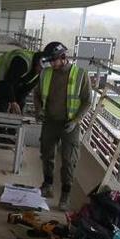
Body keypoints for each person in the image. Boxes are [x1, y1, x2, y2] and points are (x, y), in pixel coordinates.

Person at [33, 42, 92, 210]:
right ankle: (47, 185)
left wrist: (76, 120)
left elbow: (87, 101)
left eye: (53, 61)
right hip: (50, 122)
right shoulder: (46, 73)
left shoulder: (80, 75)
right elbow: (36, 94)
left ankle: (65, 195)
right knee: (46, 155)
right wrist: (38, 111)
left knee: (68, 160)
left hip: (70, 124)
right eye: (49, 61)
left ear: (63, 58)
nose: (51, 64)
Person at [0, 47, 48, 143]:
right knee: (3, 103)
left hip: (16, 78)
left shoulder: (39, 73)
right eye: (40, 68)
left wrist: (17, 102)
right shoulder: (22, 62)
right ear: (37, 63)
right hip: (0, 72)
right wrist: (12, 101)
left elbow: (24, 91)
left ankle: (11, 133)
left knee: (20, 104)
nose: (41, 71)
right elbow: (9, 81)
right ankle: (2, 137)